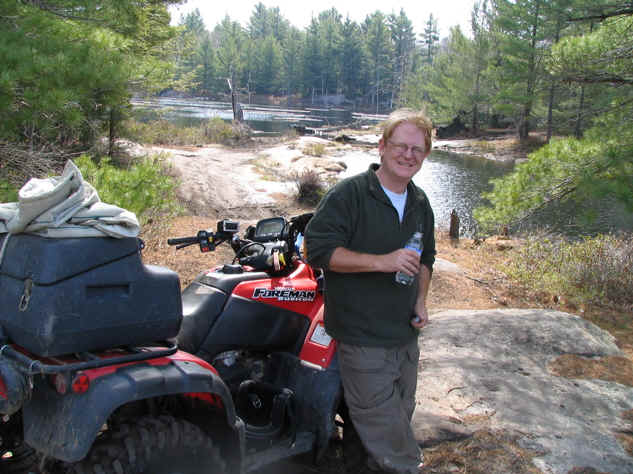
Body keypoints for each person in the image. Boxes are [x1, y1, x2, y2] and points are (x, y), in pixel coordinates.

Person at [304, 108, 435, 474]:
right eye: (401, 146)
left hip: (405, 339)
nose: (408, 155)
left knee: (383, 428)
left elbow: (427, 257)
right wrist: (383, 261)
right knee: (390, 439)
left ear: (425, 155)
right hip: (363, 339)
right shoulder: (350, 195)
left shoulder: (420, 202)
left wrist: (421, 299)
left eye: (417, 150)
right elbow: (317, 251)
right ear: (382, 146)